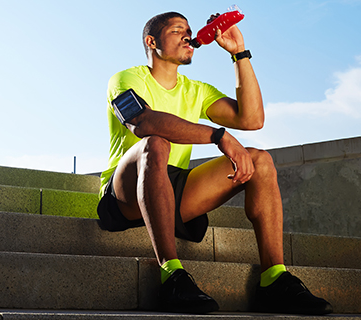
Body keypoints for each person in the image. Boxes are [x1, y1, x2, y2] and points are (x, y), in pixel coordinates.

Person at [97, 11, 333, 315]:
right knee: (155, 143)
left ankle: (274, 280)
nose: (188, 35)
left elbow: (252, 119)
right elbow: (141, 121)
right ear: (151, 41)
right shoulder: (126, 79)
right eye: (177, 30)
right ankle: (172, 275)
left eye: (190, 30)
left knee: (260, 161)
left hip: (173, 189)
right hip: (124, 193)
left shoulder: (196, 90)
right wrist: (218, 136)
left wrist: (239, 54)